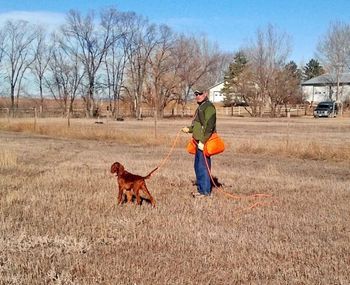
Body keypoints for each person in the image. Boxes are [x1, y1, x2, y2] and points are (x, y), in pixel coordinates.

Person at [182, 88, 216, 197]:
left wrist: (203, 141)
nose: (197, 96)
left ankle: (205, 192)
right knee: (197, 166)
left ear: (205, 94)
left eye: (200, 94)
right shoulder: (201, 107)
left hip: (204, 142)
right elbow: (198, 125)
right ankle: (201, 189)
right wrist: (189, 129)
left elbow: (209, 126)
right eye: (196, 94)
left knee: (203, 167)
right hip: (197, 142)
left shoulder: (209, 107)